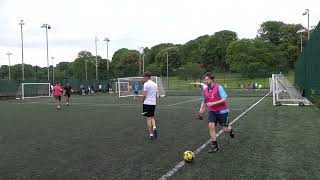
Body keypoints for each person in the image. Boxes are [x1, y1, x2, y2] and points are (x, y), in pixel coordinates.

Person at [199, 72, 235, 153]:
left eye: (207, 79)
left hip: (222, 111)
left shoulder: (219, 87)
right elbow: (204, 101)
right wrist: (201, 110)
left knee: (225, 130)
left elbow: (224, 100)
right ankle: (215, 146)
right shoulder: (205, 90)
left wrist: (212, 103)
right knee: (210, 126)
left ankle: (231, 130)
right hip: (212, 111)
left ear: (212, 80)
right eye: (205, 80)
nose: (206, 81)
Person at [142, 71, 158, 141]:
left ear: (146, 77)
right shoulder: (155, 84)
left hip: (147, 103)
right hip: (153, 103)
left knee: (148, 118)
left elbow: (144, 95)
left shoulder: (146, 84)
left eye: (144, 77)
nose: (143, 79)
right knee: (152, 117)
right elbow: (156, 95)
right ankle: (154, 127)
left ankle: (151, 135)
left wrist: (142, 101)